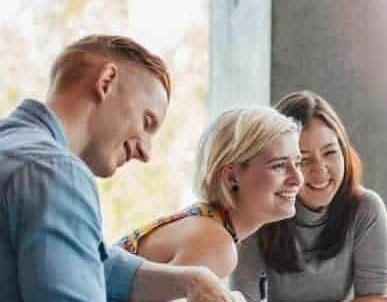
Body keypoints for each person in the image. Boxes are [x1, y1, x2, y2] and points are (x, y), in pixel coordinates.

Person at [0, 35, 278, 302]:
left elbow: (85, 264)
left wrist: (188, 279)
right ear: (106, 82)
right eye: (147, 122)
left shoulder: (14, 152)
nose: (146, 151)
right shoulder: (53, 173)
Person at [233, 90, 387, 302]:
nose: (319, 171)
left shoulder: (365, 208)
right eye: (303, 159)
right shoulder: (257, 210)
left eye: (329, 152)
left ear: (344, 151)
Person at [116, 107, 303, 281]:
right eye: (279, 165)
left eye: (298, 163)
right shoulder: (214, 243)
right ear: (231, 176)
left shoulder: (208, 223)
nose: (297, 179)